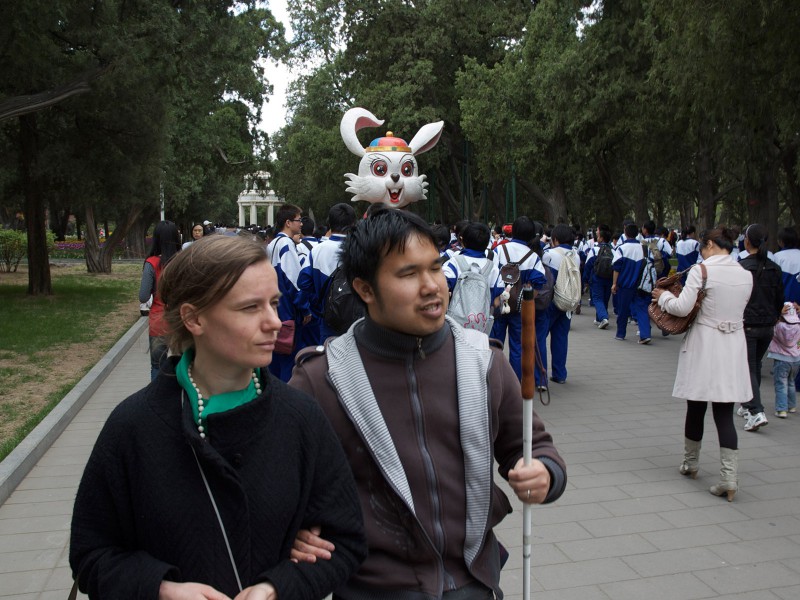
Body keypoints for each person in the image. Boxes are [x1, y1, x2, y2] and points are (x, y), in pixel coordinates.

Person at [289, 208, 566, 599]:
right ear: (365, 289)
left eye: (435, 268)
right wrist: (295, 530)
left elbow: (532, 445)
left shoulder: (483, 362)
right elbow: (284, 486)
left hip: (475, 583)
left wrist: (545, 473)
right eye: (407, 274)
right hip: (373, 590)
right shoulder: (321, 380)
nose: (432, 286)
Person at [70, 235, 367, 600]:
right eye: (249, 308)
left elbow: (346, 541)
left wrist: (279, 587)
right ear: (194, 318)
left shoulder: (301, 418)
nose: (275, 322)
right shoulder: (132, 426)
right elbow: (91, 556)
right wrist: (161, 589)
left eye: (274, 303)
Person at [652, 227, 753, 501]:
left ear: (710, 244)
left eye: (703, 247)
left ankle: (691, 463)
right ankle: (729, 479)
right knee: (724, 412)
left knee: (696, 406)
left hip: (705, 343)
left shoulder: (702, 270)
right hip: (733, 344)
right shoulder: (745, 274)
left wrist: (664, 298)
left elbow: (682, 307)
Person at [737, 223, 784, 432]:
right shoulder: (774, 268)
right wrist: (774, 317)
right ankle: (747, 404)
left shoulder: (742, 267)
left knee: (749, 367)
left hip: (748, 325)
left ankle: (756, 411)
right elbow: (779, 299)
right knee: (753, 365)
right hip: (768, 325)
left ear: (747, 242)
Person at [489, 216, 547, 381]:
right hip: (519, 309)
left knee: (494, 344)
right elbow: (539, 282)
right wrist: (527, 301)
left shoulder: (499, 250)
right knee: (518, 347)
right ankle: (515, 384)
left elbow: (489, 275)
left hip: (498, 305)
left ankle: (494, 380)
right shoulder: (532, 256)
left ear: (512, 231)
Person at [298, 202, 358, 343]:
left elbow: (304, 283)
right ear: (353, 223)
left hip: (327, 321)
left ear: (329, 223)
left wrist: (315, 305)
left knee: (329, 360)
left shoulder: (317, 251)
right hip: (357, 321)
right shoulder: (362, 249)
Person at [267, 204, 312, 381]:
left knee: (275, 360)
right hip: (288, 312)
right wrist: (304, 308)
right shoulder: (286, 244)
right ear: (288, 222)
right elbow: (294, 281)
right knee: (289, 363)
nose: (301, 224)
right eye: (298, 220)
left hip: (276, 308)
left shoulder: (273, 244)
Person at [139, 220, 181, 380]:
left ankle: (157, 402)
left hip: (158, 321)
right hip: (181, 321)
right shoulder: (184, 260)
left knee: (157, 366)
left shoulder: (152, 263)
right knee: (184, 365)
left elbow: (143, 296)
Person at [542, 224, 579, 383]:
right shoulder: (575, 255)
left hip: (551, 301)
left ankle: (540, 374)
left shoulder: (549, 254)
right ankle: (560, 374)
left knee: (539, 337)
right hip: (567, 301)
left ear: (555, 239)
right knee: (561, 337)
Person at [612, 222, 653, 344]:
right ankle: (645, 334)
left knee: (623, 310)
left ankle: (620, 333)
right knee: (641, 309)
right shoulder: (643, 248)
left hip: (625, 285)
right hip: (641, 285)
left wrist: (614, 283)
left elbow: (616, 268)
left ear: (625, 233)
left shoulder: (622, 248)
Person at [766, 302, 800, 418]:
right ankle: (792, 406)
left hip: (781, 359)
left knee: (781, 384)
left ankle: (781, 409)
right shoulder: (798, 326)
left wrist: (778, 313)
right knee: (791, 383)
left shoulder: (779, 327)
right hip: (796, 359)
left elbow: (772, 324)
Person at [583, 225, 613, 329]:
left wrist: (585, 280)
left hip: (597, 278)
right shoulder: (613, 250)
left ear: (600, 238)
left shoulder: (594, 250)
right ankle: (599, 318)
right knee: (604, 298)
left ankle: (604, 318)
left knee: (597, 298)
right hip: (609, 278)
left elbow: (588, 266)